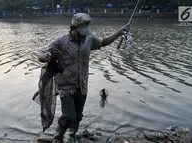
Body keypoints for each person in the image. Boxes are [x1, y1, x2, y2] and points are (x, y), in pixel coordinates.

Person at [38, 13, 130, 143]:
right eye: (81, 30)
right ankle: (57, 137)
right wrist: (46, 56)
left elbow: (103, 42)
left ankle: (72, 134)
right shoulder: (61, 42)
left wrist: (120, 32)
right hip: (65, 85)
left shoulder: (89, 39)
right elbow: (41, 54)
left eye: (86, 29)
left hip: (82, 84)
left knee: (78, 115)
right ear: (72, 28)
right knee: (68, 115)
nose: (84, 33)